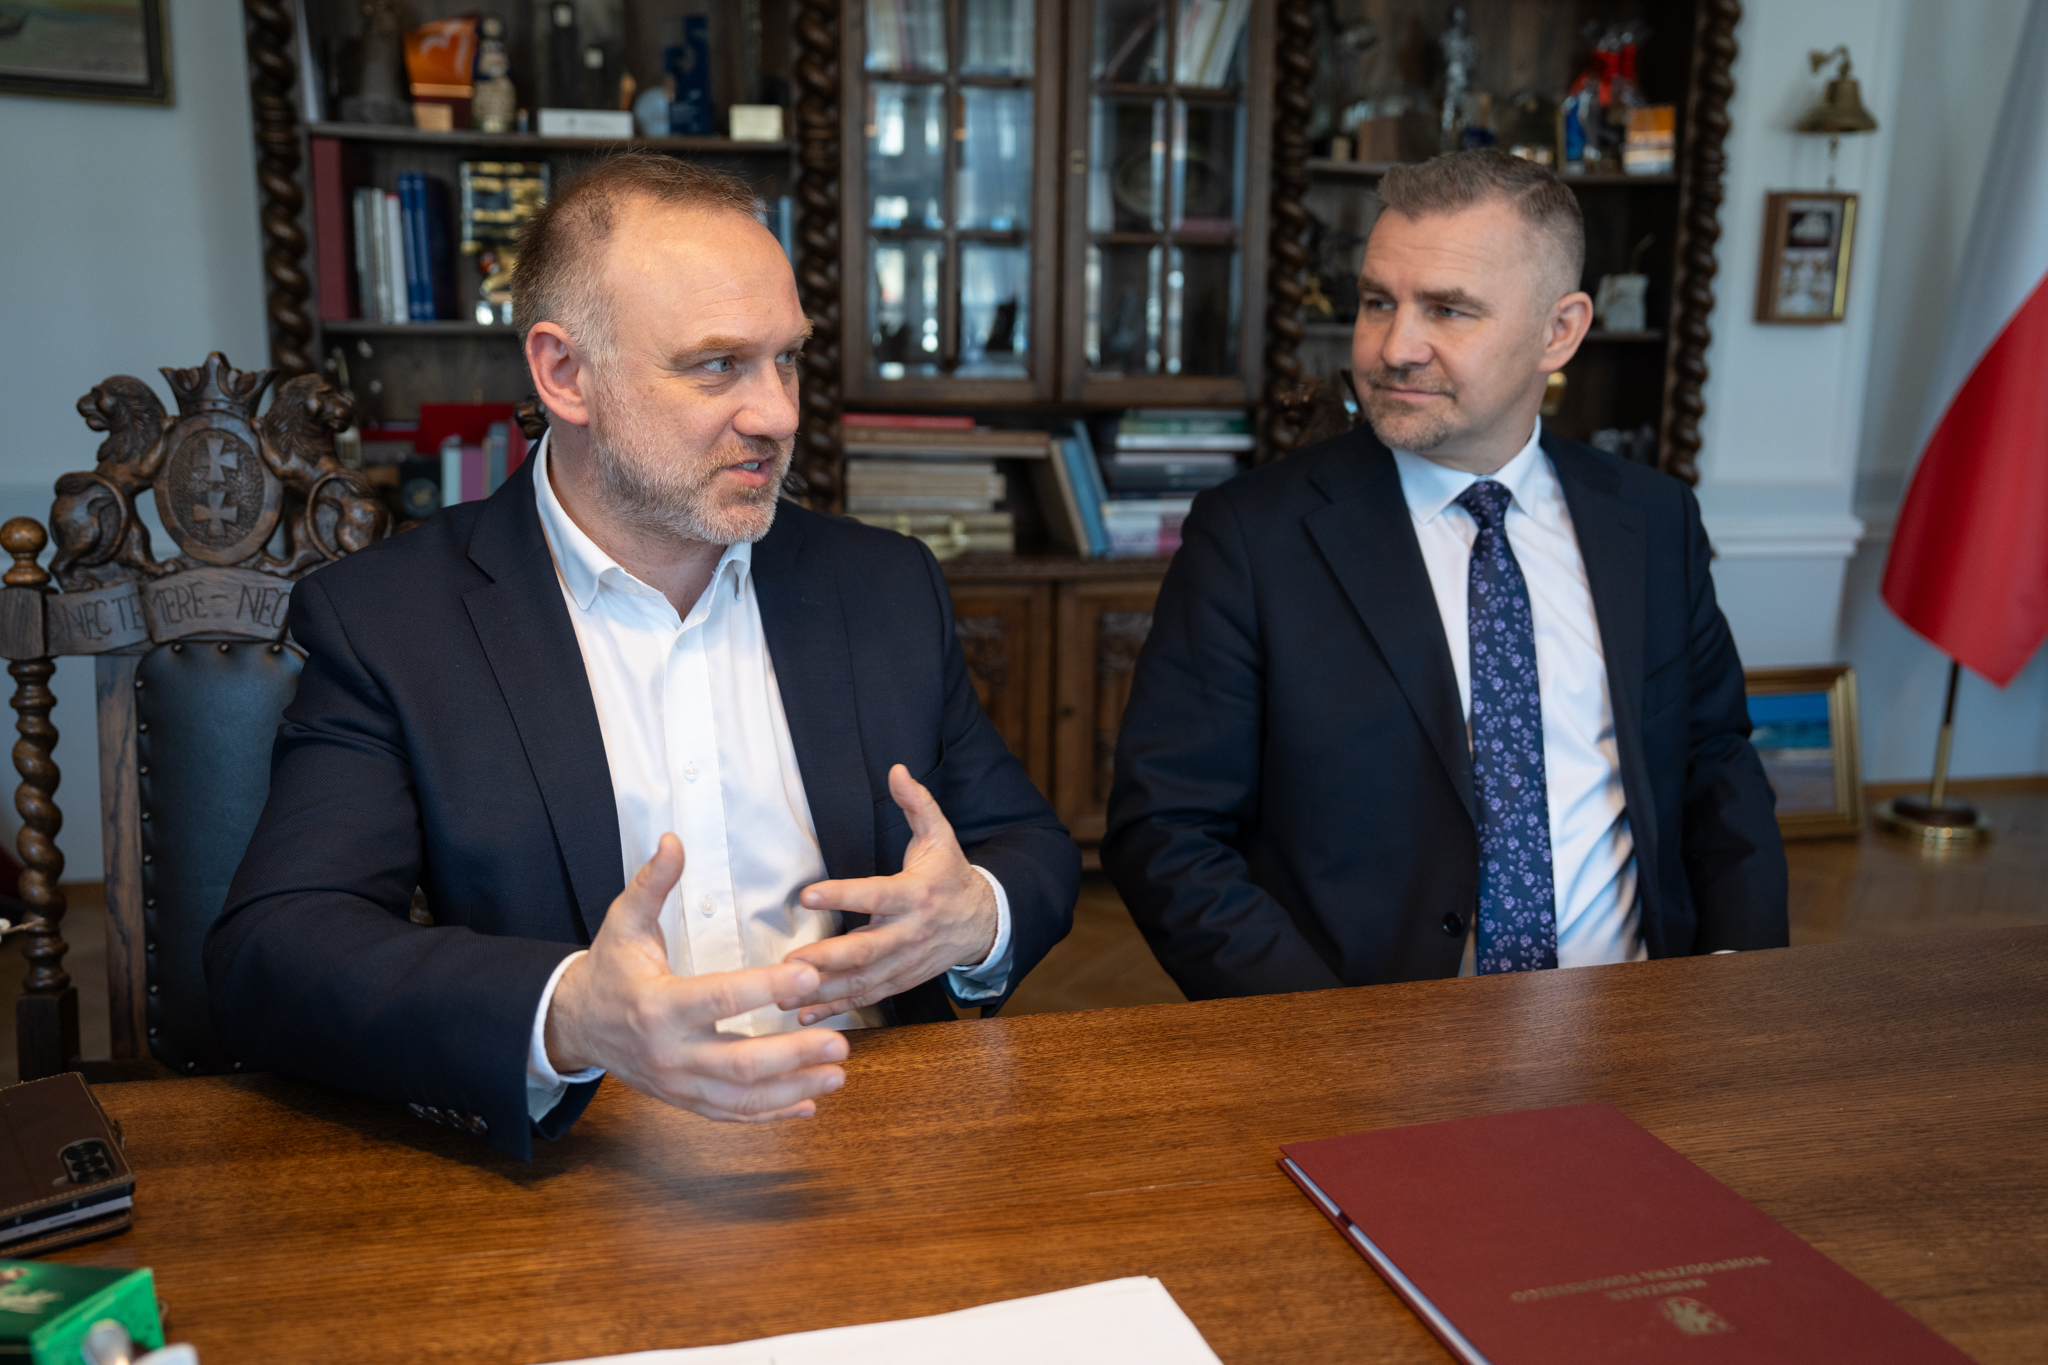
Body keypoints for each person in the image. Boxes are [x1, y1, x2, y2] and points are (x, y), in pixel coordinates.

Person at [208, 154, 1078, 1159]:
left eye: (787, 358)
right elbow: (276, 948)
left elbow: (1027, 846)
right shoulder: (392, 621)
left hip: (876, 1138)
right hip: (587, 1158)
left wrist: (974, 918)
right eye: (717, 365)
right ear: (564, 373)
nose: (778, 414)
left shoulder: (881, 585)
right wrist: (568, 1014)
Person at [1102, 148, 1786, 1000]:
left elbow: (1715, 758)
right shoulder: (1250, 539)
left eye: (1449, 310)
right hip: (1364, 1037)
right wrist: (1327, 1039)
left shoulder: (1652, 519)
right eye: (1377, 302)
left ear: (1560, 331)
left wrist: (1737, 977)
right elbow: (1166, 832)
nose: (1395, 347)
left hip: (1640, 1020)